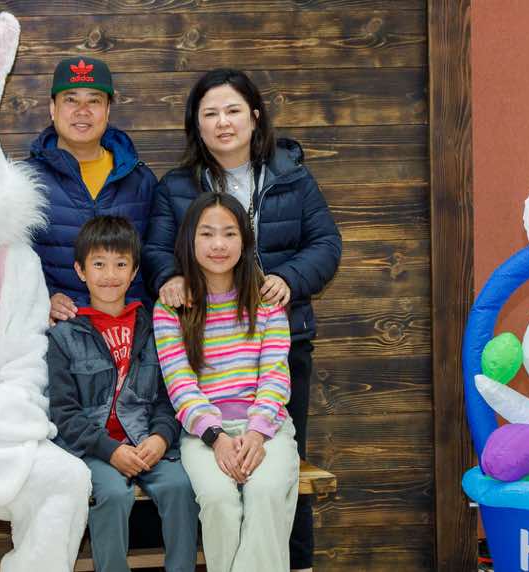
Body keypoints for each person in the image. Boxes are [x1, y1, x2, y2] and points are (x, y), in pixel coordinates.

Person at [142, 68, 342, 572]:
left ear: (254, 116)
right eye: (210, 113)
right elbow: (156, 249)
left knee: (278, 477)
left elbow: (326, 243)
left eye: (233, 110)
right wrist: (172, 277)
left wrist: (289, 279)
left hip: (278, 338)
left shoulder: (290, 175)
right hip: (201, 348)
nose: (223, 122)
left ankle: (297, 564)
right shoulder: (177, 186)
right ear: (196, 124)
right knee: (224, 497)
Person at [153, 192, 300, 572]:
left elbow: (275, 375)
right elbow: (180, 384)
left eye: (229, 233)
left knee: (266, 492)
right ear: (189, 240)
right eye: (207, 233)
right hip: (203, 433)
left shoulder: (266, 301)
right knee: (218, 499)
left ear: (245, 241)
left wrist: (256, 433)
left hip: (267, 427)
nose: (218, 244)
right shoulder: (171, 307)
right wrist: (216, 437)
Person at [47, 215, 199, 572]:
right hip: (94, 450)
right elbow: (63, 413)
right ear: (80, 271)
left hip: (148, 443)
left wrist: (161, 438)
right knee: (113, 494)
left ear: (134, 272)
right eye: (98, 264)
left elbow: (169, 396)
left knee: (180, 487)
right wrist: (110, 450)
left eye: (121, 264)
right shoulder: (64, 335)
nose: (110, 274)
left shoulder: (155, 327)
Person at [29, 56, 157, 322]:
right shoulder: (26, 181)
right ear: (52, 108)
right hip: (61, 332)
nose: (82, 110)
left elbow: (156, 257)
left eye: (94, 101)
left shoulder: (140, 180)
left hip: (130, 332)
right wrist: (42, 298)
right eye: (71, 100)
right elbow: (8, 260)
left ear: (108, 110)